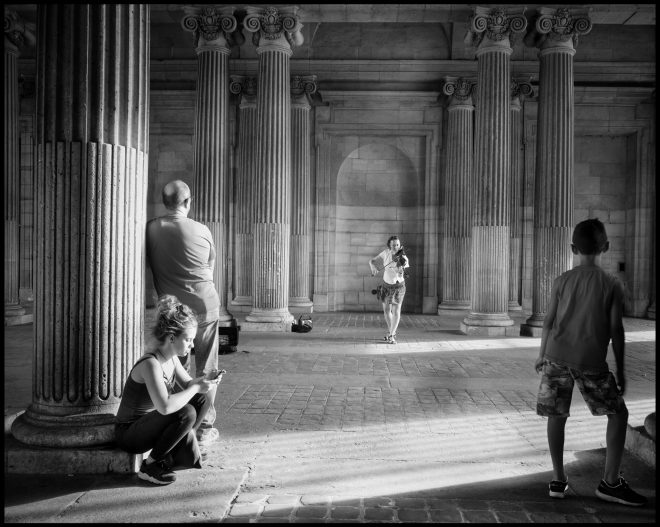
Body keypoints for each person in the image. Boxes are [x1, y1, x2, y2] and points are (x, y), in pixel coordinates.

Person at [534, 218, 646, 506]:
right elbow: (616, 331)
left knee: (556, 416)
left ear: (573, 248)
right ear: (606, 247)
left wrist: (542, 354)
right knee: (618, 415)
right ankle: (610, 482)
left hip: (556, 357)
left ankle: (558, 479)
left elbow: (548, 322)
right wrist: (621, 370)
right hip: (590, 361)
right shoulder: (611, 284)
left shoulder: (561, 280)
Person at [115, 295, 223, 485]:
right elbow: (164, 407)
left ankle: (171, 451)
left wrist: (206, 381)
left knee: (202, 400)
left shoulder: (171, 358)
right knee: (186, 412)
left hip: (151, 424)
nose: (191, 345)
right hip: (130, 434)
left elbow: (190, 385)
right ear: (172, 337)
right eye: (188, 340)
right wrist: (197, 387)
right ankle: (151, 465)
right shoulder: (151, 364)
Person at [146, 179, 222, 445]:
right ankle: (203, 431)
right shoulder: (202, 230)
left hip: (175, 313)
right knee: (208, 369)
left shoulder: (152, 229)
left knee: (178, 368)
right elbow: (210, 268)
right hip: (206, 306)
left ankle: (181, 427)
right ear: (188, 202)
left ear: (164, 202)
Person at [369, 235, 409, 344]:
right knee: (387, 311)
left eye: (397, 245)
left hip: (398, 287)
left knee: (396, 311)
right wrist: (373, 267)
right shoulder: (385, 253)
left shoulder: (403, 258)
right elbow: (371, 261)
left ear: (400, 246)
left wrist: (399, 270)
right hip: (386, 286)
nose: (396, 247)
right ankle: (391, 331)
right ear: (389, 246)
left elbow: (401, 273)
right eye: (393, 245)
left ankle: (391, 335)